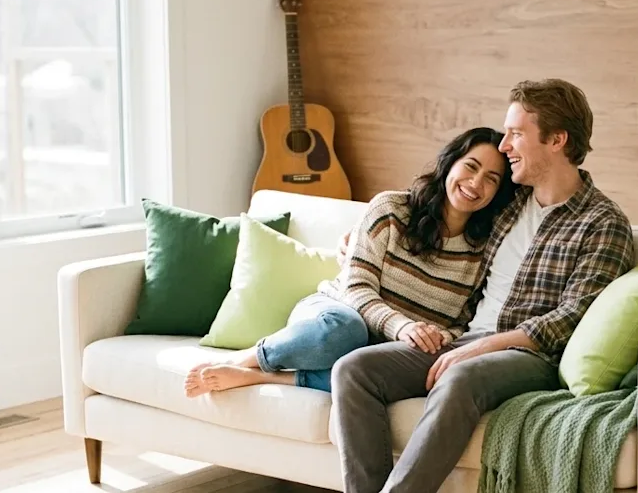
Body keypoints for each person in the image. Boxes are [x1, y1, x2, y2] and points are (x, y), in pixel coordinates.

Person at [286, 78, 636, 493]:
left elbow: (572, 317)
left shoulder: (602, 222)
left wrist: (481, 347)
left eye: (516, 134)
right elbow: (437, 209)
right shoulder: (508, 204)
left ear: (557, 140)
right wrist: (356, 240)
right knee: (354, 369)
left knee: (461, 376)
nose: (505, 145)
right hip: (462, 340)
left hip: (529, 356)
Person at [183, 127, 517, 398]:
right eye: (471, 166)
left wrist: (439, 337)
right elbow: (356, 288)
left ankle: (261, 377)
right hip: (335, 314)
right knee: (345, 331)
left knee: (406, 375)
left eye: (492, 178)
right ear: (450, 163)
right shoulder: (392, 209)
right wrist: (402, 326)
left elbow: (467, 320)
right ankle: (247, 358)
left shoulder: (488, 249)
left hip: (394, 345)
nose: (476, 183)